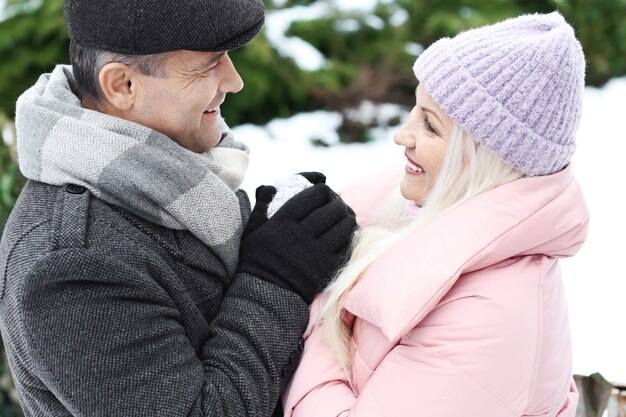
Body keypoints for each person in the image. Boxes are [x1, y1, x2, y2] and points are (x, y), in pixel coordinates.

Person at [0, 0, 356, 416]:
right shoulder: (70, 265)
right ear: (122, 86)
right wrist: (275, 280)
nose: (234, 81)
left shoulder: (171, 179)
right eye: (208, 65)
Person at [282, 12, 589, 417]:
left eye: (429, 125)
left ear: (482, 158)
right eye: (415, 109)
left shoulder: (490, 317)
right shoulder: (413, 204)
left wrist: (313, 299)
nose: (401, 135)